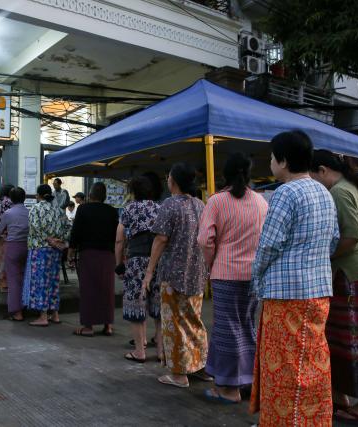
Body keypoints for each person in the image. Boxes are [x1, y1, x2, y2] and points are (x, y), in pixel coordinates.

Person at [249, 131, 340, 426]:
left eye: (273, 157)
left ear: (284, 161)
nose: (271, 163)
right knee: (313, 362)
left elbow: (268, 245)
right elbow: (333, 240)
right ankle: (314, 419)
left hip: (287, 295)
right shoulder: (324, 192)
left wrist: (257, 279)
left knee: (284, 368)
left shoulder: (286, 193)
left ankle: (284, 421)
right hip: (319, 292)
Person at [310, 150, 358, 423]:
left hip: (353, 272)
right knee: (340, 339)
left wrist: (325, 255)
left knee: (356, 342)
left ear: (322, 170)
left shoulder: (339, 191)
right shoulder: (349, 187)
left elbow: (352, 235)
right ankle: (340, 395)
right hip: (353, 271)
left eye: (314, 177)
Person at [197, 153, 268, 403]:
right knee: (247, 325)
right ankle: (248, 379)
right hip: (254, 275)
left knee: (227, 329)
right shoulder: (261, 202)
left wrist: (211, 264)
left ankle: (229, 388)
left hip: (225, 274)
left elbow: (204, 240)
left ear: (224, 174)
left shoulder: (216, 202)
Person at [142, 163, 209, 388]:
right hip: (197, 273)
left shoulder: (170, 204)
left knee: (174, 324)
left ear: (174, 181)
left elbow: (160, 239)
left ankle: (179, 374)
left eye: (169, 176)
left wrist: (149, 271)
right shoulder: (201, 205)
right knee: (194, 321)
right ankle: (199, 366)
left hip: (173, 275)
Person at [115, 176, 161, 362]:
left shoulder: (129, 209)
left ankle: (140, 351)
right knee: (158, 305)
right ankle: (161, 351)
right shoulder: (160, 208)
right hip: (158, 260)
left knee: (136, 304)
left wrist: (119, 264)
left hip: (136, 261)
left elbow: (119, 239)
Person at [69, 182, 119, 337]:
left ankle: (88, 326)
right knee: (107, 289)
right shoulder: (112, 212)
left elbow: (76, 232)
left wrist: (70, 252)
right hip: (108, 255)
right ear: (104, 196)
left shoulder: (83, 209)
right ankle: (108, 325)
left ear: (90, 195)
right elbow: (116, 235)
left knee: (88, 289)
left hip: (89, 253)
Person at [22, 184, 70, 327]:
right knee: (54, 281)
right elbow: (68, 227)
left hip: (39, 249)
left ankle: (43, 316)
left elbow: (35, 227)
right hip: (55, 251)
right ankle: (55, 314)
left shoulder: (35, 208)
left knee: (40, 282)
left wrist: (49, 239)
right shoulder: (59, 210)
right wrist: (60, 240)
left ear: (38, 195)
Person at [0, 187, 29, 321]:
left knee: (13, 280)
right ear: (24, 198)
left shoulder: (8, 213)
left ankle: (17, 312)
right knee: (25, 278)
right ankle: (27, 305)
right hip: (28, 246)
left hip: (13, 246)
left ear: (11, 199)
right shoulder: (30, 212)